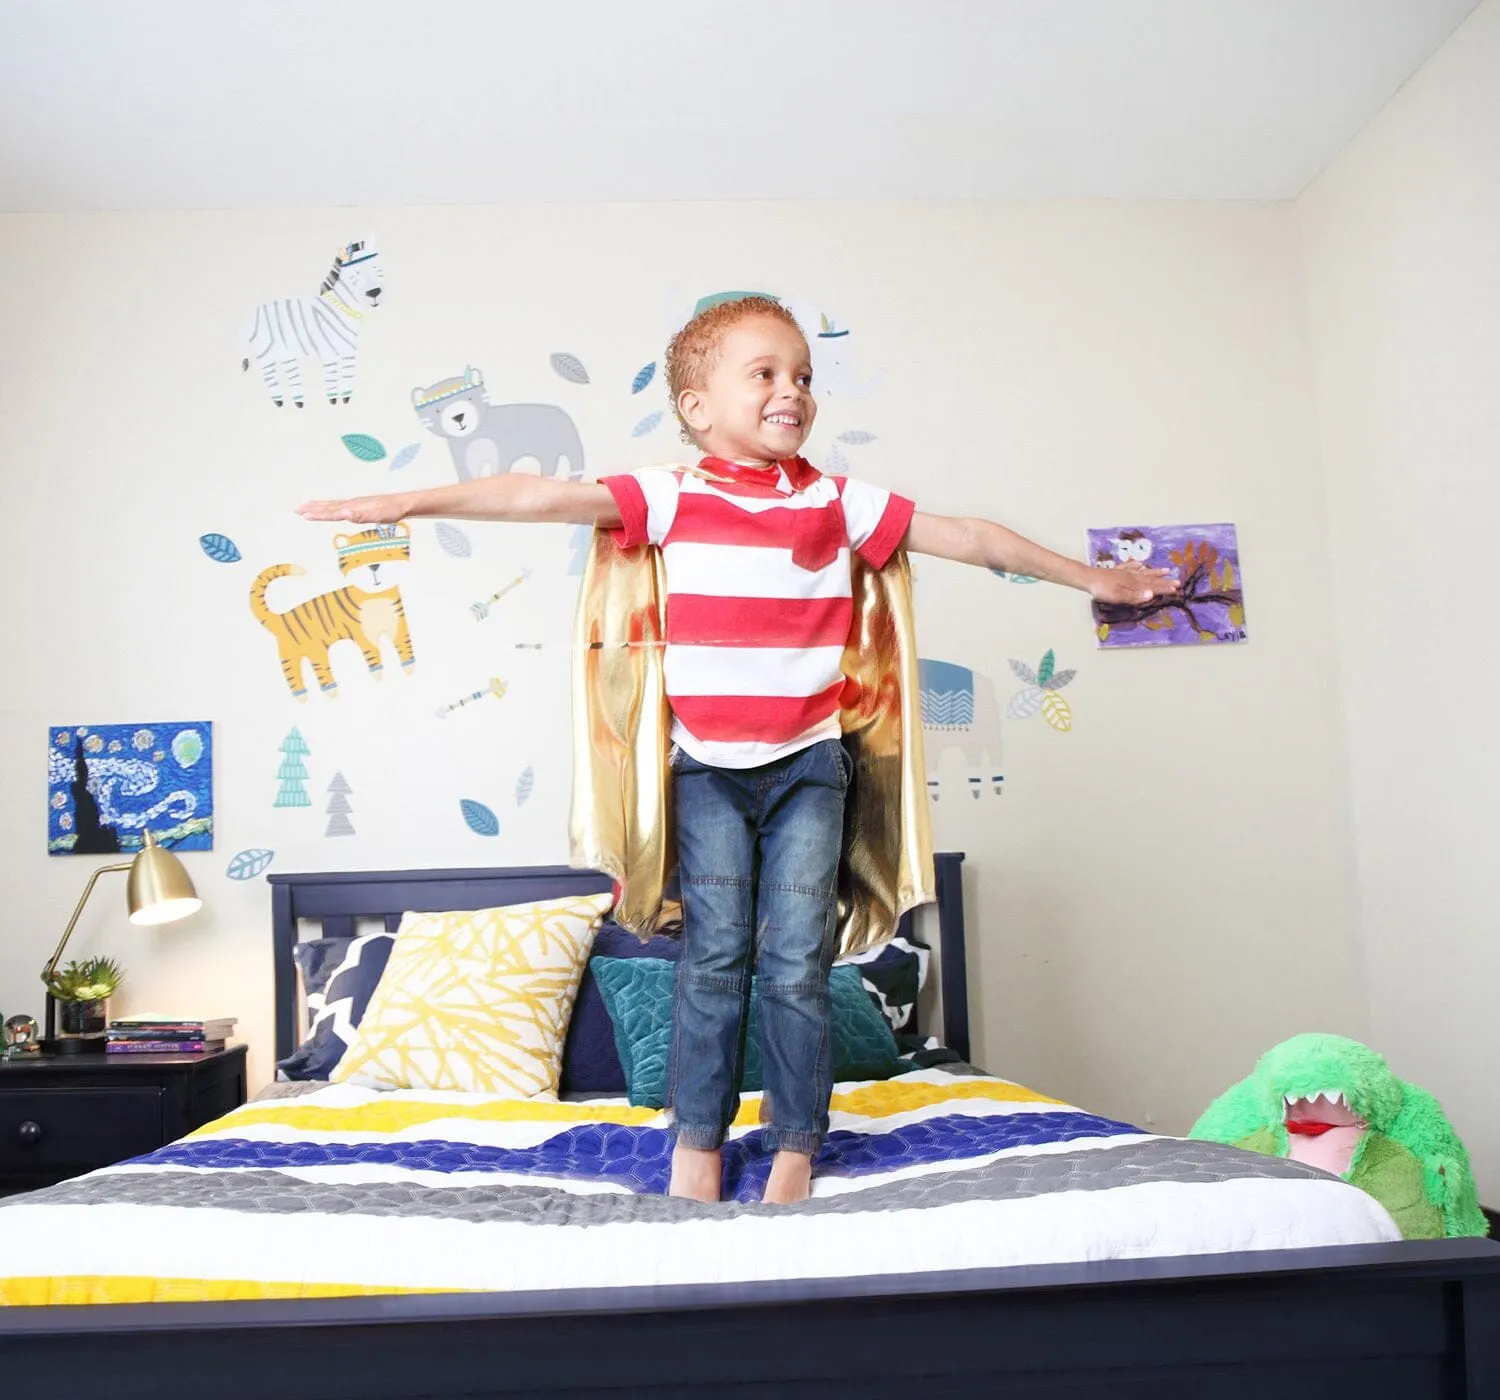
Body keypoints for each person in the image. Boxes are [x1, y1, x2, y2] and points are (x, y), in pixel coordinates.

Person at [299, 295, 1177, 1206]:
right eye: (763, 373)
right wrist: (405, 498)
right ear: (697, 406)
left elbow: (971, 536)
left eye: (801, 374)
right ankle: (699, 1142)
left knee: (797, 963)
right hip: (707, 769)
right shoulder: (673, 494)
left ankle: (796, 1141)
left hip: (810, 767)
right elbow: (534, 493)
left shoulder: (840, 504)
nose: (790, 390)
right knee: (716, 959)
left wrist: (1093, 577)